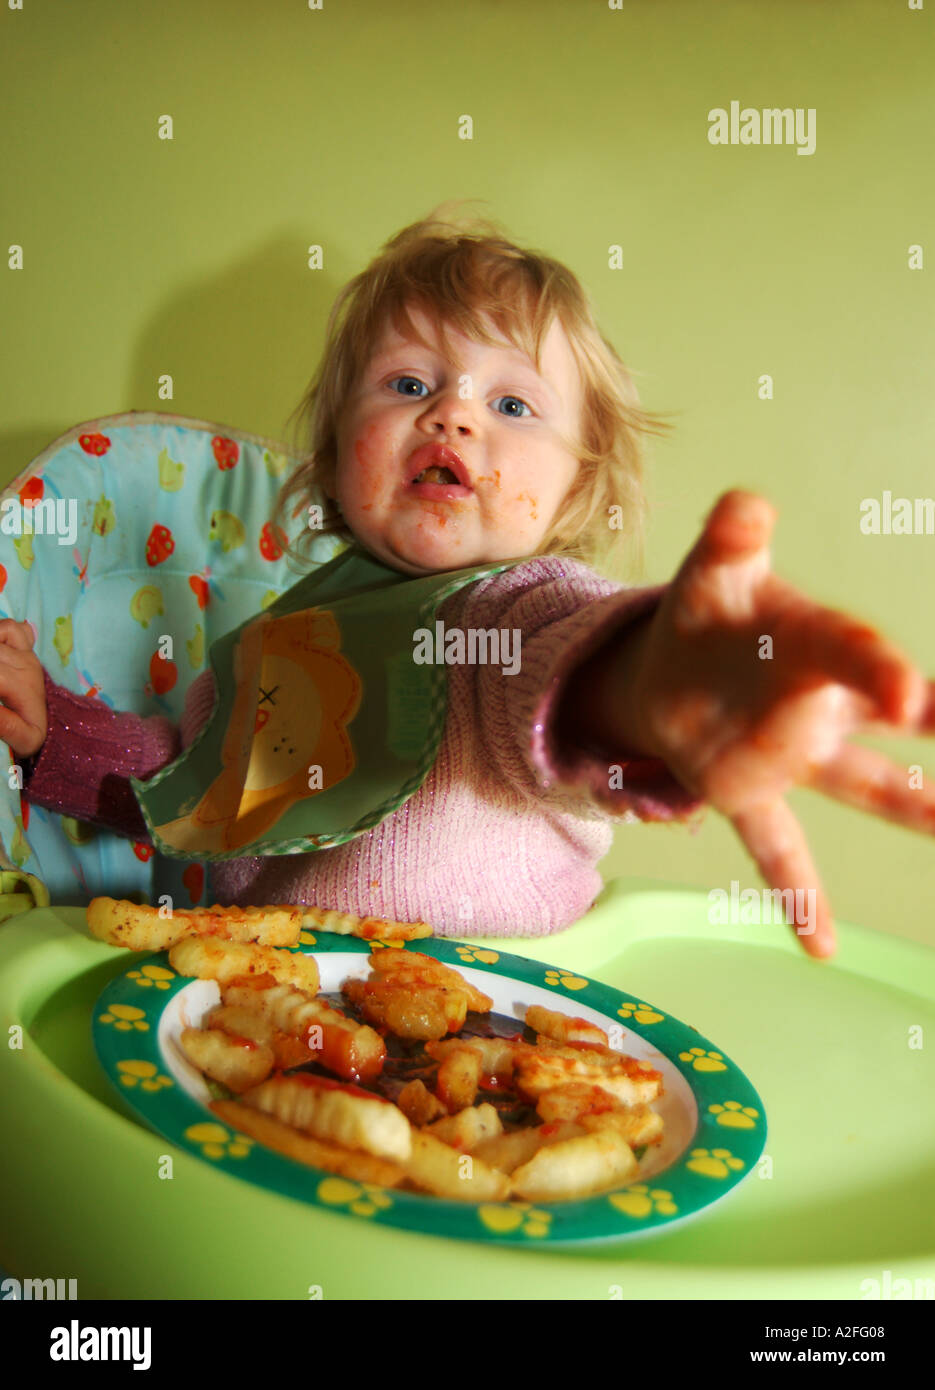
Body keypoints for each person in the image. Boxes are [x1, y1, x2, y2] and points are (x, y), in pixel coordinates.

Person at [1, 208, 932, 958]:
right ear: (331, 457)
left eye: (512, 404)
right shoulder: (283, 644)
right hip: (278, 1019)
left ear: (577, 482)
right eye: (408, 385)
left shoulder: (511, 612)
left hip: (500, 1037)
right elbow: (184, 789)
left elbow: (560, 678)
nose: (450, 414)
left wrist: (654, 682)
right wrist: (58, 732)